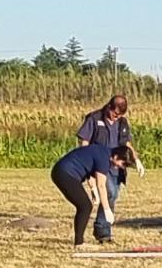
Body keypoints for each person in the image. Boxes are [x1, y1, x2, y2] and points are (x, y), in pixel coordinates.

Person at [77, 95, 146, 243]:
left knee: (112, 196)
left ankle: (104, 230)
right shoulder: (94, 118)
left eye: (120, 115)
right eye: (115, 114)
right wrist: (86, 166)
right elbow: (84, 141)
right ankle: (102, 229)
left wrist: (136, 160)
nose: (117, 117)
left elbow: (126, 143)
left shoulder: (122, 122)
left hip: (117, 166)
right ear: (109, 106)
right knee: (109, 192)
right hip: (98, 163)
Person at [51, 145, 136, 247]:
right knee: (85, 206)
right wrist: (107, 210)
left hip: (62, 171)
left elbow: (89, 169)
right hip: (64, 173)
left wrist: (93, 190)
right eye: (123, 164)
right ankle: (79, 243)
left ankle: (79, 242)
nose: (121, 167)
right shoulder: (104, 159)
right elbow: (101, 185)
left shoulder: (104, 152)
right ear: (116, 156)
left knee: (85, 206)